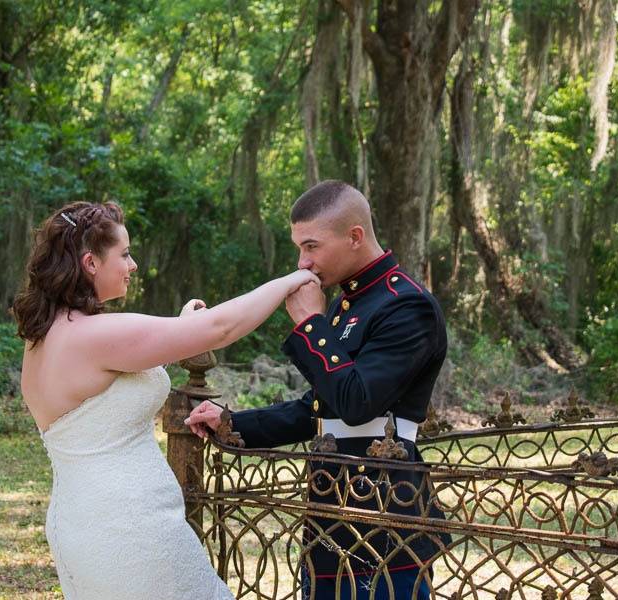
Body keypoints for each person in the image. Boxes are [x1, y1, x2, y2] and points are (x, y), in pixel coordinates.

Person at [11, 200, 318, 600]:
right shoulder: (93, 335)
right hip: (128, 530)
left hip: (81, 521)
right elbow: (220, 328)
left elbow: (131, 358)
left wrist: (182, 327)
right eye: (123, 254)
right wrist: (289, 282)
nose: (133, 264)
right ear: (90, 262)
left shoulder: (43, 339)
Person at [186, 180, 450, 600]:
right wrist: (232, 423)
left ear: (355, 236)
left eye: (312, 247)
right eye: (299, 248)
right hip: (329, 517)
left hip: (385, 523)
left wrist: (311, 325)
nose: (302, 263)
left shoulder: (407, 306)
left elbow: (357, 403)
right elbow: (319, 411)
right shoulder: (350, 303)